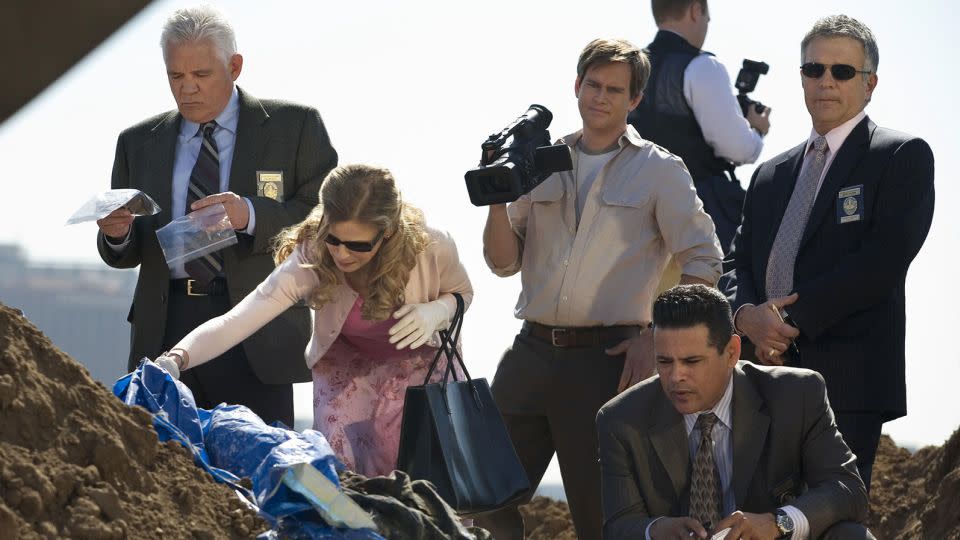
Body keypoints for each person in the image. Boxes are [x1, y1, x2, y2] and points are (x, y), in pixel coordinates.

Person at [478, 38, 723, 540]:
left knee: (601, 518)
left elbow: (705, 259)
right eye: (593, 84)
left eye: (615, 89)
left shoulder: (660, 170)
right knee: (481, 494)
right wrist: (496, 196)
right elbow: (501, 263)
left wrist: (657, 336)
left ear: (634, 100)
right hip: (529, 353)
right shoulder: (539, 162)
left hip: (606, 362)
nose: (601, 96)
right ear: (577, 86)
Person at [95, 5, 337, 427]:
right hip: (165, 327)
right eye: (176, 76)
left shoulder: (294, 127)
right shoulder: (137, 143)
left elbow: (324, 219)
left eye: (201, 75)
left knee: (261, 469)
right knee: (166, 470)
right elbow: (125, 251)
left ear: (235, 66)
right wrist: (117, 235)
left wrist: (250, 214)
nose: (187, 88)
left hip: (257, 326)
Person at [725, 14, 935, 491]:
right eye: (813, 69)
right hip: (756, 375)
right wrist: (746, 317)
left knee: (827, 519)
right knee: (753, 516)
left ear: (870, 84)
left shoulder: (901, 157)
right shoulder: (769, 174)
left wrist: (784, 323)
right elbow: (737, 264)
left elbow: (881, 263)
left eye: (842, 72)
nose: (825, 82)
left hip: (846, 380)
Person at [155, 164, 473, 476]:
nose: (343, 254)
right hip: (348, 378)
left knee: (433, 485)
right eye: (334, 239)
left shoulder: (432, 245)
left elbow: (462, 294)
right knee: (342, 482)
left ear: (387, 232)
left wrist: (438, 312)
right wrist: (175, 359)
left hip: (423, 374)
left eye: (358, 245)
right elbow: (238, 320)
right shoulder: (313, 256)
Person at [598, 285, 873, 539]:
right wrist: (655, 530)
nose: (675, 377)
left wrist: (777, 523)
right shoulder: (620, 419)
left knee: (851, 535)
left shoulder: (796, 395)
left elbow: (847, 490)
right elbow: (619, 524)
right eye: (664, 362)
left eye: (692, 361)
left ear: (732, 352)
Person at [629, 0, 771, 254]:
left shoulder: (631, 68)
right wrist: (758, 129)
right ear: (696, 10)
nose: (708, 23)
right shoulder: (704, 66)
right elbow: (739, 149)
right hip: (697, 212)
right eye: (707, 16)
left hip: (634, 210)